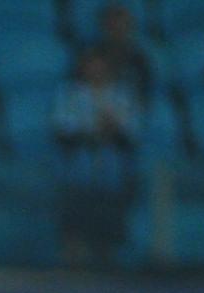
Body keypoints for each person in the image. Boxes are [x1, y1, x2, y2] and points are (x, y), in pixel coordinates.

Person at [53, 45, 144, 267]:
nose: (96, 70)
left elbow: (131, 134)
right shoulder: (71, 95)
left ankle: (107, 262)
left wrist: (110, 129)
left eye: (100, 65)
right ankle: (72, 262)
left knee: (108, 223)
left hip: (111, 173)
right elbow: (63, 131)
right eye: (90, 65)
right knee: (74, 220)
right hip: (79, 171)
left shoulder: (121, 95)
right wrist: (94, 130)